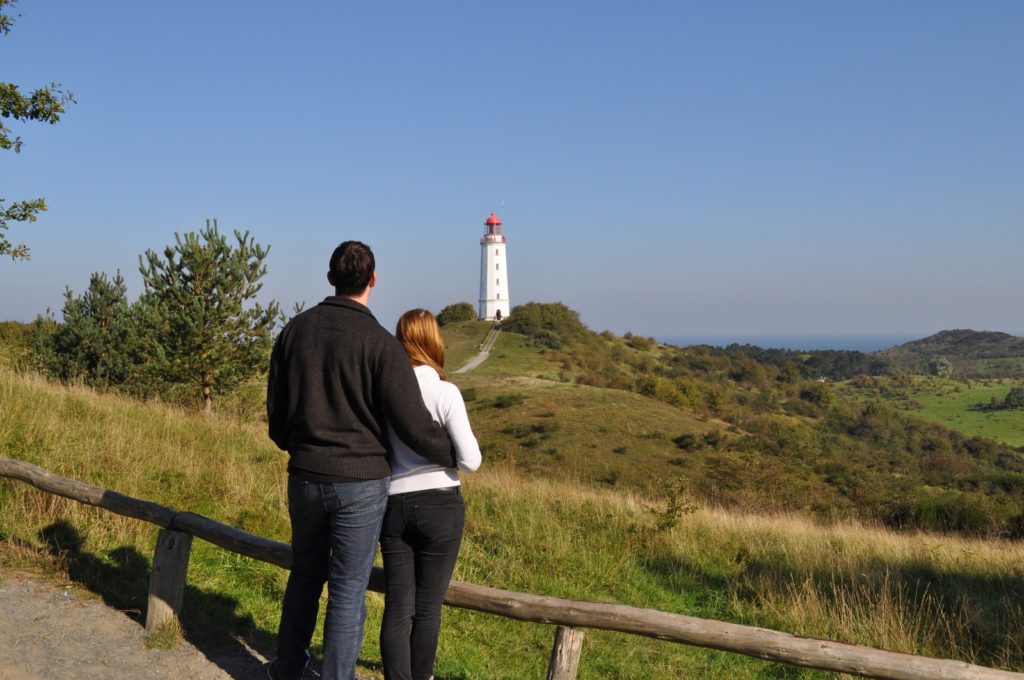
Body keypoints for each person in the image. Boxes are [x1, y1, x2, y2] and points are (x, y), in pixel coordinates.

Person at [266, 242, 456, 680]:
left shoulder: (294, 331)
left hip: (304, 475)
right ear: (373, 280)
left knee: (305, 576)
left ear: (330, 277)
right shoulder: (381, 345)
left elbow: (277, 411)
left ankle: (289, 668)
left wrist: (294, 445)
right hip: (362, 483)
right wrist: (450, 454)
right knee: (348, 590)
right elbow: (412, 423)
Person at [379, 309, 482, 680]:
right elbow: (471, 461)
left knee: (397, 608)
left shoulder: (386, 392)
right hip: (439, 501)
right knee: (427, 609)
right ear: (433, 342)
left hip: (392, 502)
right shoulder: (445, 392)